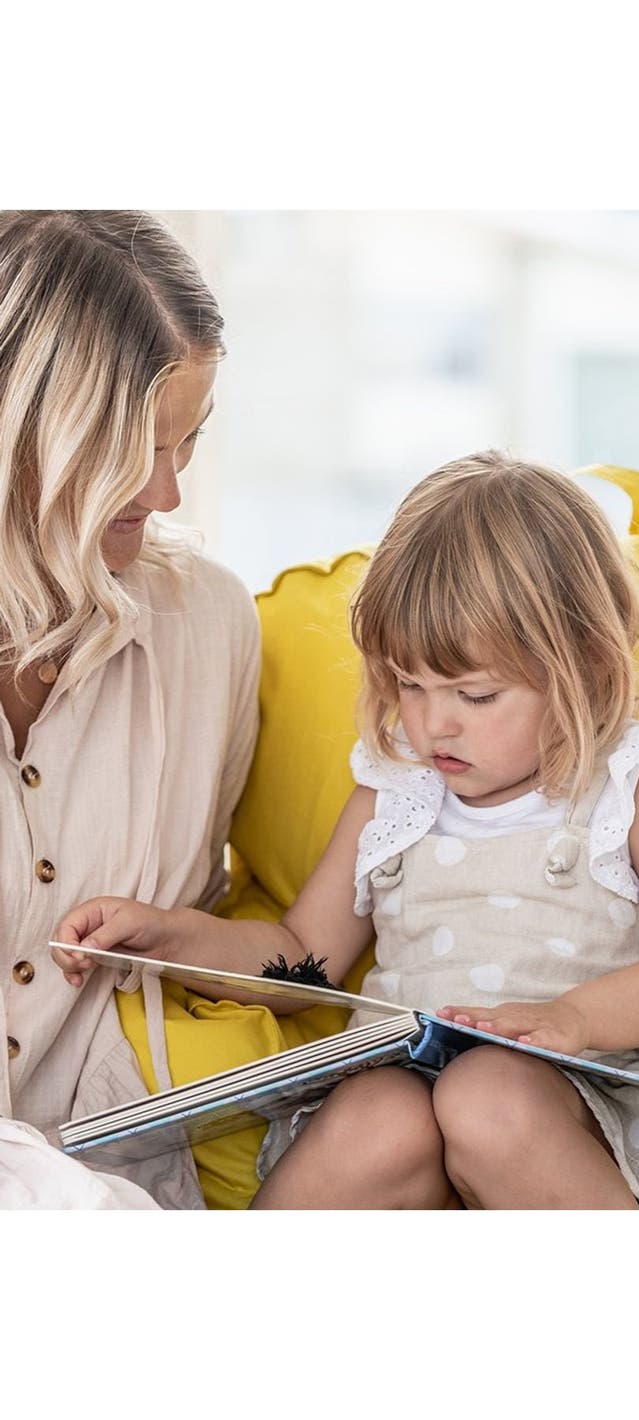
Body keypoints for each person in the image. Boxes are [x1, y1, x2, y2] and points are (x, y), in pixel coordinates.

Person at [55, 451, 639, 1210]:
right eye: (409, 684)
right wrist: (171, 938)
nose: (433, 724)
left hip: (560, 1106)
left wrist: (574, 1017)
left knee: (486, 1094)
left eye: (476, 695)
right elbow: (304, 961)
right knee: (380, 1116)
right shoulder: (396, 791)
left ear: (589, 667)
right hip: (400, 1093)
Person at [0, 210, 260, 1209]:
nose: (166, 493)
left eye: (187, 443)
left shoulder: (208, 626)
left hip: (115, 1181)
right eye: (132, 447)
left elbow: (217, 924)